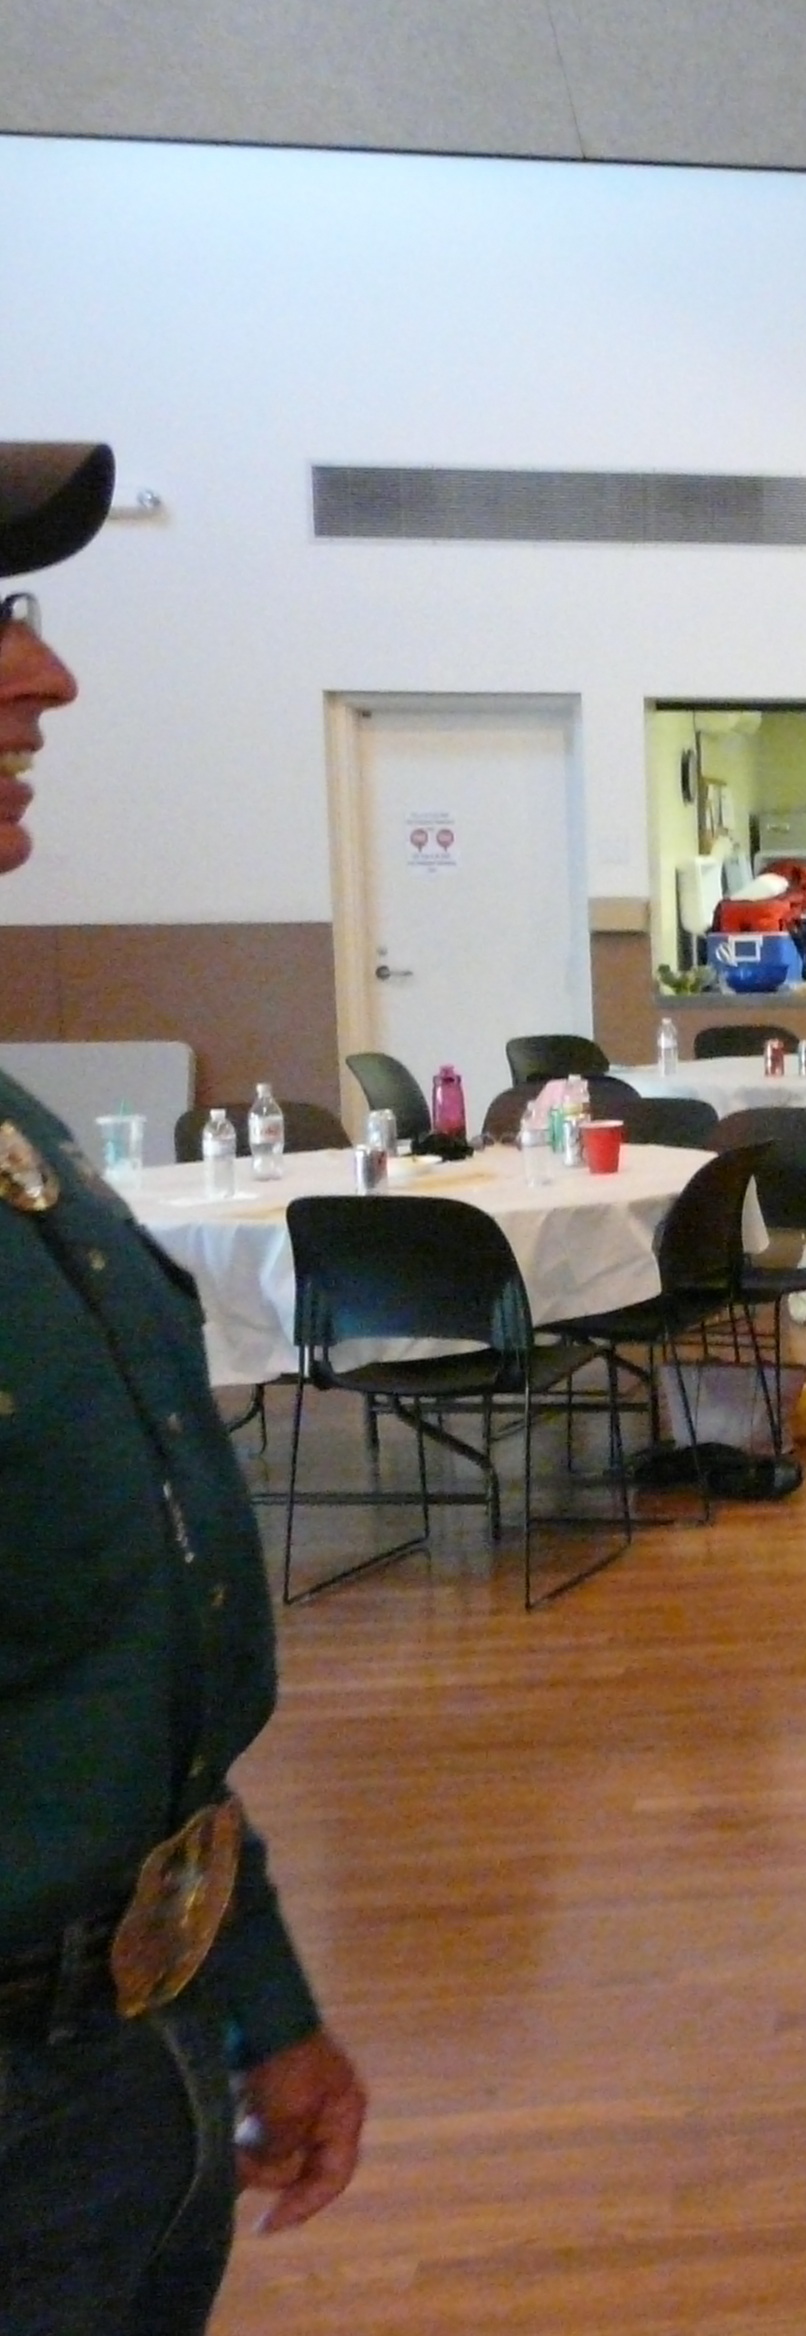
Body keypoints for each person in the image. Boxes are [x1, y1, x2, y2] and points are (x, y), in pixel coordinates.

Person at [0, 442, 366, 2332]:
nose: (45, 678)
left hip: (124, 2067)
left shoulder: (20, 1127)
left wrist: (255, 1994)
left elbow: (124, 1671)